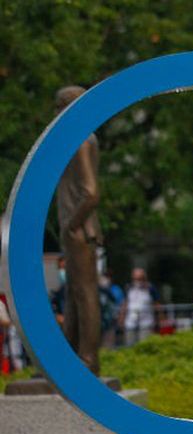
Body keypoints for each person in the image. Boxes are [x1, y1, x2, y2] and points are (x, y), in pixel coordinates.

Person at [55, 85, 103, 374]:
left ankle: (88, 360)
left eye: (58, 108)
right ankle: (70, 357)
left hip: (79, 228)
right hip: (77, 227)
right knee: (75, 292)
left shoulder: (80, 140)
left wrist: (73, 223)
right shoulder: (79, 138)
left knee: (84, 293)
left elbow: (91, 192)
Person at [120, 268, 159, 345]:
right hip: (130, 322)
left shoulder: (150, 289)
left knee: (144, 343)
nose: (138, 281)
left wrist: (159, 319)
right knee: (129, 344)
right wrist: (121, 318)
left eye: (140, 279)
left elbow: (157, 304)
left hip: (146, 322)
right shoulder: (129, 288)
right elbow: (125, 304)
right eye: (135, 279)